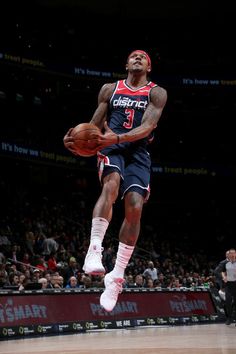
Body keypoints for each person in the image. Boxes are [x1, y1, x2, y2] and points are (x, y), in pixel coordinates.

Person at [63, 49, 167, 312]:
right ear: (126, 63)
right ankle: (94, 249)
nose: (137, 59)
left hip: (137, 151)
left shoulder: (156, 92)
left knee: (135, 205)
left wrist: (117, 138)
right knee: (111, 184)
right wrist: (77, 139)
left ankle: (116, 276)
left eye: (143, 57)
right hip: (110, 147)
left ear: (149, 67)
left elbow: (147, 127)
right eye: (133, 56)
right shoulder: (110, 89)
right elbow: (94, 123)